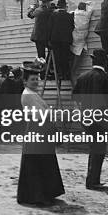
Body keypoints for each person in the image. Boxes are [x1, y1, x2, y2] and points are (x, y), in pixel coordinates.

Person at [17, 58, 65, 206]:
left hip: (41, 130)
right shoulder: (27, 94)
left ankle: (46, 192)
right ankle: (37, 196)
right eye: (32, 79)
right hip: (36, 130)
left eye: (37, 79)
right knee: (36, 165)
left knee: (44, 162)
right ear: (25, 81)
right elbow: (40, 114)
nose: (36, 82)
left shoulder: (33, 93)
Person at [72, 48, 108, 190]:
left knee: (94, 148)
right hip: (100, 119)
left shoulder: (82, 77)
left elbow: (75, 97)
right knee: (98, 149)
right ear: (105, 62)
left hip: (85, 118)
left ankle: (92, 179)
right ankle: (92, 181)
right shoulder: (106, 78)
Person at [49, 0, 74, 81]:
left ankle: (58, 74)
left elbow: (50, 27)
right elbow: (72, 27)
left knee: (57, 57)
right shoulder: (69, 16)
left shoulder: (53, 15)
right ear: (65, 6)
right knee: (65, 57)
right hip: (66, 40)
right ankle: (65, 75)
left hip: (55, 40)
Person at [70, 1, 94, 84]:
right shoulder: (87, 14)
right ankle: (73, 72)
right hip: (83, 36)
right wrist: (88, 4)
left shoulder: (75, 13)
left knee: (75, 52)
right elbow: (91, 8)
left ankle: (73, 71)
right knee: (78, 54)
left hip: (75, 35)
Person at [27, 0, 54, 66]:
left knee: (41, 55)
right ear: (47, 3)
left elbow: (30, 15)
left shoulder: (38, 10)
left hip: (37, 36)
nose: (50, 4)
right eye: (50, 2)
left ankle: (43, 69)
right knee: (50, 51)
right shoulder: (46, 10)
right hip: (43, 37)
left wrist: (32, 8)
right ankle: (46, 68)